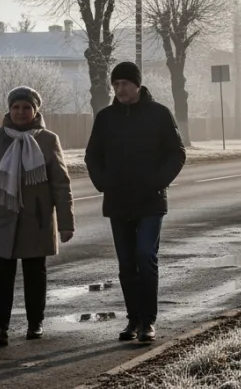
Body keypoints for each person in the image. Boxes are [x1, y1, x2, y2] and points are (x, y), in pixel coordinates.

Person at [85, 61, 186, 343]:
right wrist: (104, 183)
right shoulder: (106, 118)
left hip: (150, 200)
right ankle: (133, 320)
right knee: (127, 263)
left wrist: (157, 181)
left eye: (125, 84)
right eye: (115, 85)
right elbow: (92, 155)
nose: (120, 89)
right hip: (118, 201)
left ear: (137, 85)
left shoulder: (159, 114)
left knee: (145, 256)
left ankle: (148, 321)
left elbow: (177, 153)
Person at [0, 86, 75, 346]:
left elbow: (61, 184)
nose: (20, 112)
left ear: (35, 110)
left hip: (36, 218)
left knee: (34, 272)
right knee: (1, 274)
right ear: (9, 109)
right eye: (16, 107)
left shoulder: (48, 140)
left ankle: (35, 323)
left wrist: (65, 222)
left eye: (26, 107)